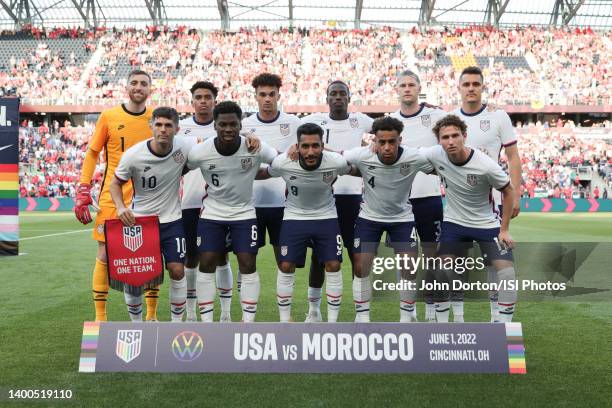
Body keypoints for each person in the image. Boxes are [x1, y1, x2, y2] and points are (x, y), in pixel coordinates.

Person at [74, 69, 161, 321]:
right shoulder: (109, 116)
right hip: (112, 198)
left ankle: (151, 316)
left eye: (143, 83)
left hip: (148, 198)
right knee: (104, 253)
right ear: (126, 87)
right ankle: (101, 318)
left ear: (149, 89)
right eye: (133, 82)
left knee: (150, 255)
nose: (138, 87)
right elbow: (92, 153)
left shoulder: (156, 119)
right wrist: (83, 187)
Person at [186, 101, 277, 323]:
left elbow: (278, 160)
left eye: (233, 125)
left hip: (244, 213)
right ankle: (207, 322)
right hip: (212, 213)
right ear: (215, 125)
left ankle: (248, 323)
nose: (228, 129)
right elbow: (179, 169)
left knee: (247, 263)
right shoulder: (200, 151)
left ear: (240, 125)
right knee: (206, 261)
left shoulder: (254, 146)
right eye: (223, 124)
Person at [421, 115, 517, 323]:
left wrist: (505, 229)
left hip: (487, 224)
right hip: (454, 224)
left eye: (456, 135)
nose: (451, 141)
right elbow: (406, 155)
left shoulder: (486, 165)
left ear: (465, 136)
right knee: (441, 272)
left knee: (507, 274)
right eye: (445, 137)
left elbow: (509, 191)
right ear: (439, 140)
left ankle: (504, 328)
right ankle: (442, 327)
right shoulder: (435, 154)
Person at [257, 123, 354, 322]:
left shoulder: (335, 161)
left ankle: (331, 323)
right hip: (294, 217)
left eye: (315, 146)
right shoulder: (284, 161)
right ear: (297, 146)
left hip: (326, 217)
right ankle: (285, 320)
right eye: (305, 146)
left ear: (322, 146)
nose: (310, 151)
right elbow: (264, 172)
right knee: (285, 265)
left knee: (333, 264)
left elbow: (355, 166)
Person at [344, 116, 434, 323]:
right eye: (381, 141)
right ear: (374, 140)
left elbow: (441, 165)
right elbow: (336, 158)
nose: (386, 147)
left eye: (391, 141)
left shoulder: (414, 157)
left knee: (409, 266)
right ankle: (362, 316)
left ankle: (406, 317)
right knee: (360, 266)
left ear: (400, 140)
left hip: (402, 218)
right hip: (369, 217)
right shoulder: (361, 155)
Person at [451, 66, 522, 322]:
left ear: (482, 87)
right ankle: (457, 320)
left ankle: (497, 321)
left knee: (496, 262)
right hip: (456, 204)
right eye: (466, 84)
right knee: (455, 264)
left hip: (491, 203)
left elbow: (513, 157)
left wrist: (517, 192)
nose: (471, 88)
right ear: (458, 88)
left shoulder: (498, 117)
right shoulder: (449, 118)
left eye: (475, 84)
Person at [301, 80, 373, 322]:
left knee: (357, 255)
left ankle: (360, 313)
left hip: (353, 198)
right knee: (319, 258)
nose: (338, 97)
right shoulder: (314, 122)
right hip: (323, 199)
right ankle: (313, 310)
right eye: (334, 93)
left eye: (343, 93)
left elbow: (389, 129)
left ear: (350, 97)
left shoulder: (361, 121)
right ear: (327, 98)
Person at [109, 107, 190, 322]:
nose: (163, 130)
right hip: (140, 222)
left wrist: (248, 136)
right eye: (159, 125)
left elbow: (212, 144)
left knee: (177, 270)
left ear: (177, 129)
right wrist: (120, 206)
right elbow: (115, 183)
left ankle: (175, 325)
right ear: (151, 126)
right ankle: (137, 324)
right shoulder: (133, 155)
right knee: (135, 277)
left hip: (172, 221)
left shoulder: (184, 147)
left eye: (168, 125)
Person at [390, 69, 447, 322]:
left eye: (411, 84)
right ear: (397, 89)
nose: (407, 88)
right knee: (405, 260)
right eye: (403, 85)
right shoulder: (390, 120)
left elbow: (455, 132)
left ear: (419, 87)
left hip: (429, 197)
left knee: (432, 256)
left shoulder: (436, 116)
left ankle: (432, 310)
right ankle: (408, 312)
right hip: (400, 202)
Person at [176, 81, 234, 322]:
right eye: (198, 97)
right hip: (190, 202)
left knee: (221, 257)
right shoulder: (181, 129)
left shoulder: (225, 127)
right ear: (192, 102)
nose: (203, 101)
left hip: (220, 204)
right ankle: (191, 313)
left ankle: (226, 314)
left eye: (207, 97)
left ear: (214, 101)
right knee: (191, 258)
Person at [242, 73, 302, 267]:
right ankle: (246, 298)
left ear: (278, 95)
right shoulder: (245, 125)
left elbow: (313, 146)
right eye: (262, 94)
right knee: (246, 260)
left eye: (271, 94)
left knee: (285, 262)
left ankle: (284, 298)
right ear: (255, 96)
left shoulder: (294, 123)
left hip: (283, 203)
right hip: (251, 202)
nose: (267, 98)